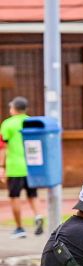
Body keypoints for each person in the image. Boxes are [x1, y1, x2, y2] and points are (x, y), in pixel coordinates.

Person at [0, 96, 43, 238]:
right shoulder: (31, 122)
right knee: (33, 195)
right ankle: (38, 216)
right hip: (31, 166)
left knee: (15, 197)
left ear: (14, 108)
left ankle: (19, 228)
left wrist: (1, 166)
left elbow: (2, 147)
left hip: (15, 167)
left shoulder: (8, 124)